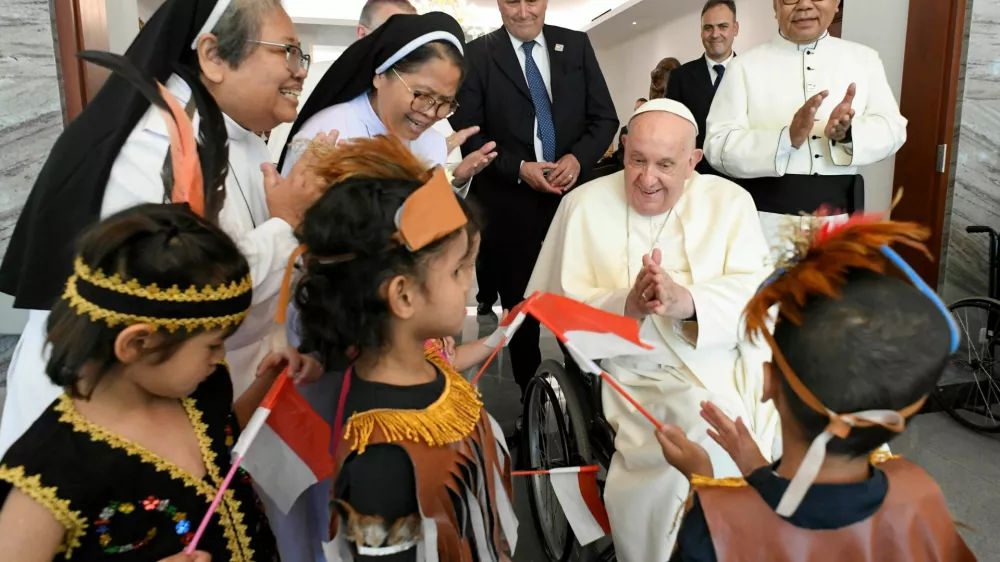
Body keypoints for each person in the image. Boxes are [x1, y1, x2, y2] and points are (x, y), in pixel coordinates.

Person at [0, 0, 332, 461]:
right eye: (288, 52)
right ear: (213, 56)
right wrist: (286, 222)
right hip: (101, 426)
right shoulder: (159, 143)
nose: (301, 72)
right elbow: (182, 291)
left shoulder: (224, 133)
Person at [526, 98, 780, 562]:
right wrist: (625, 303)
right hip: (639, 371)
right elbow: (555, 309)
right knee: (696, 440)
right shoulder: (582, 204)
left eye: (665, 164)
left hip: (727, 359)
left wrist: (690, 302)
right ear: (623, 149)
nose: (646, 179)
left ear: (693, 162)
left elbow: (758, 295)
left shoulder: (731, 201)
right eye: (637, 160)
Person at [658, 217, 976, 562]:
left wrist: (701, 483)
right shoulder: (918, 491)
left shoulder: (715, 528)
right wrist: (755, 468)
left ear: (768, 381)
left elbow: (743, 532)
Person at [0, 203, 303, 561]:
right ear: (137, 343)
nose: (220, 358)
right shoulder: (49, 471)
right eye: (213, 343)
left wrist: (270, 381)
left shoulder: (200, 389)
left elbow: (220, 438)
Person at [291, 135, 517, 560]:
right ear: (403, 296)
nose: (469, 282)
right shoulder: (382, 458)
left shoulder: (428, 361)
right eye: (458, 269)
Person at [450, 0, 618, 399]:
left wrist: (577, 160)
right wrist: (519, 167)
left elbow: (604, 118)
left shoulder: (576, 46)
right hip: (510, 207)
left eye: (532, 0)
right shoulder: (477, 55)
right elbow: (469, 133)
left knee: (576, 306)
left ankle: (591, 398)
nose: (523, 11)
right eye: (512, 1)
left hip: (570, 204)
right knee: (520, 313)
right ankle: (531, 400)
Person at [704, 0, 907, 258]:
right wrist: (784, 139)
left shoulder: (864, 60)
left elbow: (894, 129)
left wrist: (848, 135)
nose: (804, 5)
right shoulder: (743, 67)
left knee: (834, 299)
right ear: (775, 6)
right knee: (765, 298)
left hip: (840, 225)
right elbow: (717, 145)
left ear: (836, 4)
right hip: (763, 227)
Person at [278, 12, 495, 198]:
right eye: (421, 94)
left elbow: (433, 232)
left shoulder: (433, 143)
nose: (431, 112)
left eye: (445, 102)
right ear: (380, 76)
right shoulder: (327, 137)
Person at [667, 0, 738, 176]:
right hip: (695, 177)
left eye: (723, 26)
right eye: (708, 28)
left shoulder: (751, 73)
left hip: (743, 179)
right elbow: (672, 131)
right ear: (701, 32)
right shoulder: (679, 77)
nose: (715, 34)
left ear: (735, 29)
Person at [612, 97, 649, 167]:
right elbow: (621, 152)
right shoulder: (625, 130)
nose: (637, 112)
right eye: (635, 109)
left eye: (640, 108)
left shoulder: (653, 131)